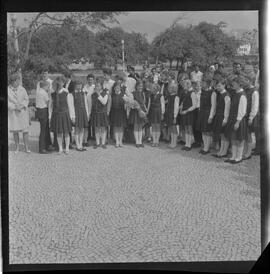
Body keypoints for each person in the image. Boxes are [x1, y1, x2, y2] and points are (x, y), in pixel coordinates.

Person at [224, 76, 248, 164]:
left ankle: (239, 157)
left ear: (239, 84)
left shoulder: (242, 95)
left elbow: (242, 110)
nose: (232, 85)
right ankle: (233, 156)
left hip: (239, 120)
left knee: (239, 139)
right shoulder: (235, 93)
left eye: (234, 83)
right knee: (233, 138)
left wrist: (237, 122)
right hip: (232, 118)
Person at [50, 76, 74, 154]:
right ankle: (60, 148)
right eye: (58, 83)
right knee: (59, 132)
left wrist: (72, 116)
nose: (59, 84)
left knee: (66, 132)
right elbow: (50, 106)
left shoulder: (66, 92)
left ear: (63, 83)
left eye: (61, 82)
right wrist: (49, 116)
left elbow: (70, 106)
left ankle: (66, 148)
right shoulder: (53, 94)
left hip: (65, 114)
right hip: (56, 115)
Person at [8, 73, 31, 153]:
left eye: (18, 80)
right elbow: (7, 102)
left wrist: (22, 106)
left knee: (25, 131)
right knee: (15, 131)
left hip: (22, 112)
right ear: (13, 81)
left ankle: (26, 147)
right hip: (14, 113)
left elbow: (26, 99)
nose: (18, 82)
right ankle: (17, 147)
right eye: (17, 80)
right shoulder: (8, 90)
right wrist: (14, 107)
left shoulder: (22, 89)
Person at [196, 77, 217, 154]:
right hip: (202, 112)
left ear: (207, 84)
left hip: (208, 113)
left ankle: (207, 148)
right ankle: (205, 146)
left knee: (207, 131)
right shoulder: (203, 91)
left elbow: (213, 106)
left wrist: (211, 116)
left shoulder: (213, 92)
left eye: (203, 83)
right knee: (203, 130)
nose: (201, 84)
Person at [212, 78, 231, 158]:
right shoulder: (219, 94)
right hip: (218, 116)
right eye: (217, 86)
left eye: (219, 86)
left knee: (224, 135)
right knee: (221, 134)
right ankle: (221, 150)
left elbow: (227, 109)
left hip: (223, 117)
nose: (218, 87)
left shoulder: (226, 95)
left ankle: (224, 152)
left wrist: (225, 119)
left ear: (224, 85)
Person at [89, 79, 109, 149]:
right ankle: (97, 143)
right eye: (96, 86)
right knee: (96, 128)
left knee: (103, 128)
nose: (97, 87)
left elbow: (104, 102)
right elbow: (91, 104)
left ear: (101, 87)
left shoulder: (105, 93)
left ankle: (103, 143)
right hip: (95, 113)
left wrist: (98, 94)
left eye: (99, 86)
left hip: (102, 113)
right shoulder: (92, 95)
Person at [243, 79, 259, 160]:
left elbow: (255, 106)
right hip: (244, 115)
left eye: (245, 80)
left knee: (248, 134)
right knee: (245, 134)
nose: (244, 82)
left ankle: (248, 153)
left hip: (250, 116)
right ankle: (245, 150)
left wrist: (251, 117)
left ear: (249, 81)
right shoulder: (245, 90)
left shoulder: (254, 92)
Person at [179, 79, 197, 151]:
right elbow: (183, 102)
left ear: (188, 85)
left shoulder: (192, 93)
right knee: (186, 128)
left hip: (189, 113)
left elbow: (194, 105)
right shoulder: (186, 92)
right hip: (185, 112)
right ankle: (187, 143)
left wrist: (186, 111)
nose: (183, 86)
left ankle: (189, 145)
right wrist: (180, 108)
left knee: (189, 129)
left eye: (184, 85)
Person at [129, 80, 147, 148]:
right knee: (136, 126)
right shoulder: (133, 93)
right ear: (136, 86)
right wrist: (137, 107)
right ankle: (137, 141)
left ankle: (140, 141)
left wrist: (145, 111)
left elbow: (144, 103)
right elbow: (132, 103)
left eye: (141, 86)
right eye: (139, 86)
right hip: (135, 111)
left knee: (141, 127)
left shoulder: (143, 93)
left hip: (142, 111)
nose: (140, 87)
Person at [35, 80, 52, 154]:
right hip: (43, 111)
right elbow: (48, 102)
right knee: (43, 130)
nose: (48, 88)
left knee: (44, 129)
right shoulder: (44, 93)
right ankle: (42, 148)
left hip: (39, 111)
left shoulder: (38, 92)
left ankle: (46, 146)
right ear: (45, 86)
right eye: (48, 86)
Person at [72, 80, 89, 151]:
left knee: (82, 128)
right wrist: (73, 116)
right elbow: (71, 105)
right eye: (77, 85)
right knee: (77, 128)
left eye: (80, 85)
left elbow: (86, 104)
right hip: (76, 112)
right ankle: (77, 144)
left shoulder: (83, 93)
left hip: (83, 112)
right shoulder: (72, 94)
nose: (79, 86)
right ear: (75, 86)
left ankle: (81, 143)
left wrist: (87, 114)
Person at [110, 82, 127, 147]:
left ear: (120, 88)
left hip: (122, 112)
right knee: (115, 127)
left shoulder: (123, 95)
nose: (117, 88)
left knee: (121, 127)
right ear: (114, 88)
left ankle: (120, 141)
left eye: (118, 87)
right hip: (114, 112)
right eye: (116, 87)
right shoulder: (112, 95)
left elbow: (126, 104)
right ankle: (117, 141)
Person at [164, 82, 179, 148]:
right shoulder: (170, 96)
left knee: (174, 128)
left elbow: (176, 107)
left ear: (173, 89)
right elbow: (166, 102)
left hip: (173, 114)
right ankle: (172, 142)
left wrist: (175, 117)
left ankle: (174, 143)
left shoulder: (176, 97)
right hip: (169, 113)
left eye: (169, 88)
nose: (168, 89)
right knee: (171, 128)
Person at [83, 73, 95, 145]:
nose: (90, 81)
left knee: (93, 122)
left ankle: (94, 136)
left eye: (91, 79)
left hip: (93, 106)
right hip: (87, 106)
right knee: (87, 123)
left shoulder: (94, 87)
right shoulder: (85, 87)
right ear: (87, 80)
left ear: (93, 80)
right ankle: (87, 138)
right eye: (89, 79)